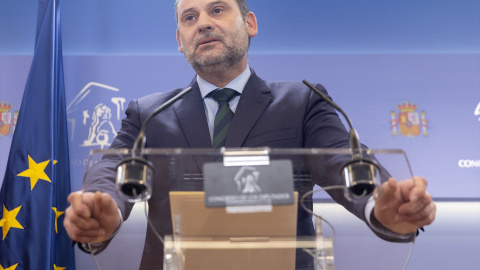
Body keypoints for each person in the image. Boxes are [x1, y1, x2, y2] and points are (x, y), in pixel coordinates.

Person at [64, 0, 437, 269]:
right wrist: (104, 206)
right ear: (180, 40)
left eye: (218, 10)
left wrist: (379, 204)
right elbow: (112, 167)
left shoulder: (304, 101)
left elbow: (342, 159)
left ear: (250, 23)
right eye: (189, 17)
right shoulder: (148, 114)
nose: (204, 23)